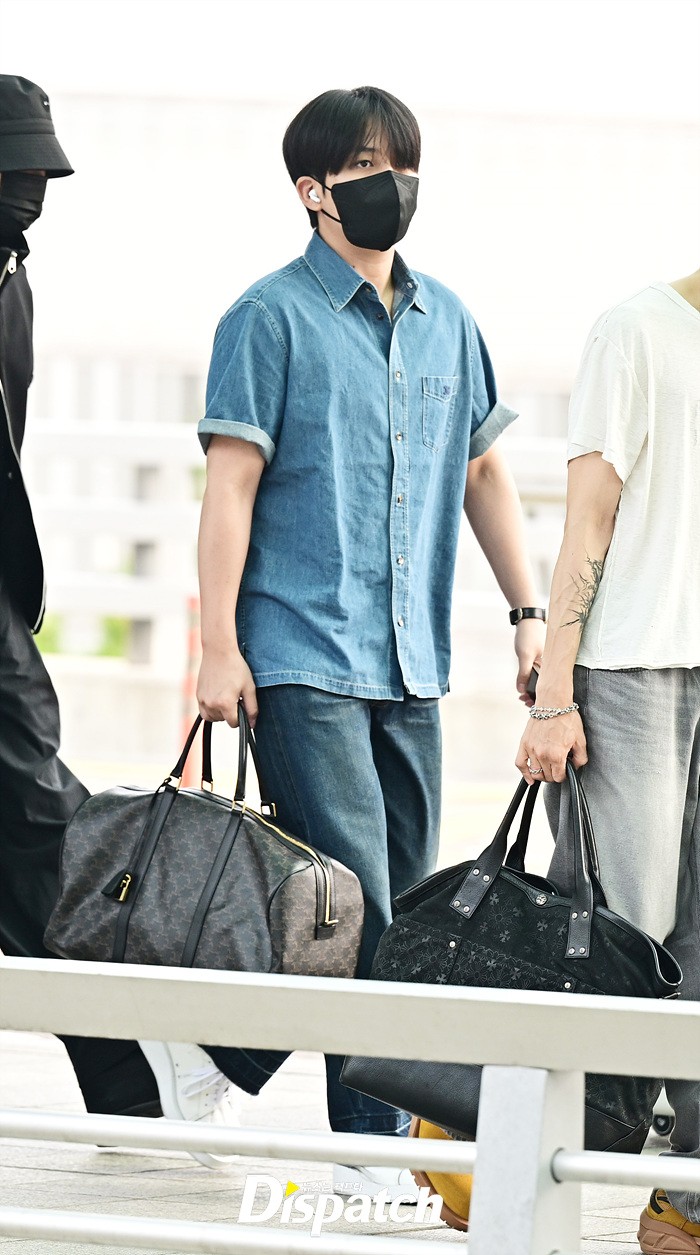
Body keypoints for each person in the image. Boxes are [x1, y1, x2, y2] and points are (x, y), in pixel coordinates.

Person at [144, 85, 545, 1194]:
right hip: (298, 652)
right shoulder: (266, 317)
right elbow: (231, 488)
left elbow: (482, 471)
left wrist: (529, 617)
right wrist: (218, 647)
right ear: (312, 190)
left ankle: (217, 1046)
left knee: (396, 908)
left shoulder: (448, 318)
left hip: (411, 661)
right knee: (360, 899)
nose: (393, 184)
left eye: (404, 163)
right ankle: (369, 1151)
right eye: (369, 165)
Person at [516, 267, 700, 1253]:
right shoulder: (635, 331)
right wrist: (556, 691)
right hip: (633, 669)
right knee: (623, 937)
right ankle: (474, 1134)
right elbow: (586, 518)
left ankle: (686, 1197)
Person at [0, 74, 164, 1121]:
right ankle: (128, 1077)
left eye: (41, 173)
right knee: (38, 816)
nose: (31, 191)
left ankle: (128, 1079)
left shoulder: (14, 277)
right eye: (15, 170)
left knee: (42, 823)